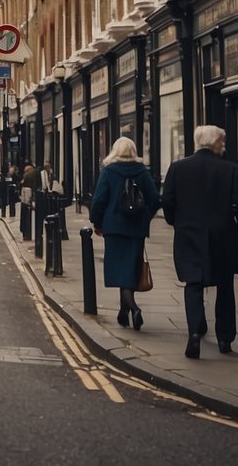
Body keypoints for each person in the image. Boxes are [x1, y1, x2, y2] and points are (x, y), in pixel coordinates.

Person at [162, 125, 238, 359]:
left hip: (188, 233)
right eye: (222, 141)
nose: (224, 145)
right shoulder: (230, 169)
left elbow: (168, 202)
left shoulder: (178, 168)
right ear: (214, 143)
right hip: (222, 235)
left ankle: (194, 332)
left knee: (193, 283)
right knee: (225, 284)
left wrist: (176, 222)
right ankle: (224, 339)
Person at [89, 137, 161, 331]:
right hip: (136, 230)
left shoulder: (109, 171)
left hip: (114, 229)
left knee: (121, 270)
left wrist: (97, 221)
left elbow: (99, 200)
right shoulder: (142, 172)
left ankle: (134, 308)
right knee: (130, 269)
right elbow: (155, 199)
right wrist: (145, 217)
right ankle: (124, 313)